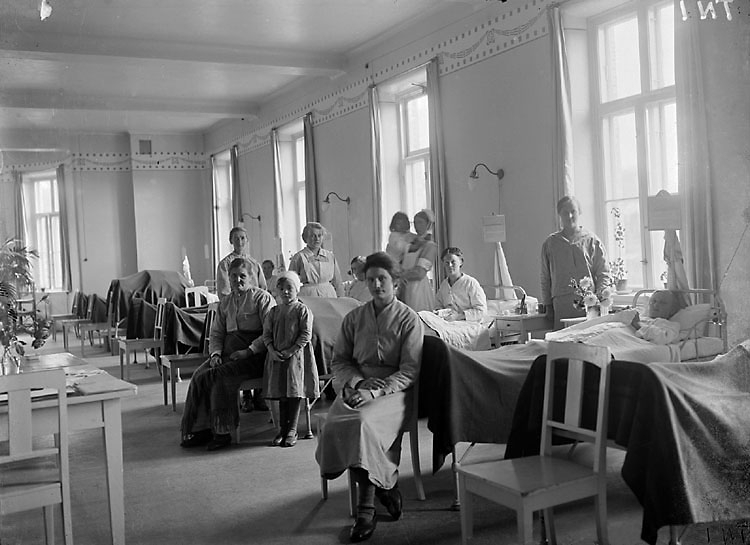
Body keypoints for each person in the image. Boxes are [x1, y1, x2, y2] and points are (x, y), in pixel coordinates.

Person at [316, 252, 423, 543]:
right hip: (357, 385)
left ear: (395, 283)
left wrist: (375, 390)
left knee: (363, 423)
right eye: (371, 279)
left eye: (382, 279)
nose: (376, 285)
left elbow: (410, 370)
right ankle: (386, 486)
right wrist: (359, 383)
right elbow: (340, 361)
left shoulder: (408, 319)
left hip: (394, 391)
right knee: (339, 423)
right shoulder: (353, 318)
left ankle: (366, 508)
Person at [180, 257, 276, 451]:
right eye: (233, 276)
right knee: (200, 375)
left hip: (255, 357)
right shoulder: (225, 302)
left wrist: (248, 351)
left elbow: (269, 332)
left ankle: (222, 432)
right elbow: (216, 333)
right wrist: (215, 354)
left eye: (242, 276)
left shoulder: (262, 298)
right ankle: (201, 429)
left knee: (219, 377)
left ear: (251, 277)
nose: (237, 280)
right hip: (228, 354)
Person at [262, 271, 319, 448]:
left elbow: (306, 334)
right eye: (281, 289)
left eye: (289, 288)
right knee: (282, 393)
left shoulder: (302, 310)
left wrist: (291, 350)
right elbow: (266, 334)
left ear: (296, 290)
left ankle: (292, 430)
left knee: (294, 393)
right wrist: (272, 350)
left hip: (296, 357)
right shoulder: (273, 312)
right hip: (277, 358)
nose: (285, 292)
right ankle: (282, 429)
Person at [540, 196, 610, 330]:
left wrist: (599, 297)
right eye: (565, 212)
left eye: (573, 211)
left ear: (579, 212)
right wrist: (547, 304)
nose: (570, 216)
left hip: (588, 303)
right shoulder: (551, 243)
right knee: (563, 339)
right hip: (561, 304)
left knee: (589, 338)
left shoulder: (591, 240)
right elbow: (545, 277)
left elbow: (603, 272)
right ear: (559, 214)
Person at [289, 222, 343, 298]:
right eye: (312, 236)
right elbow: (291, 281)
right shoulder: (299, 257)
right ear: (305, 238)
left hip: (329, 294)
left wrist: (341, 298)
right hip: (308, 296)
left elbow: (337, 281)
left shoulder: (330, 256)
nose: (317, 239)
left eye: (319, 236)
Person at [399, 209, 438, 312]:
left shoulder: (430, 246)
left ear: (428, 224)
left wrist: (400, 275)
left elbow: (420, 273)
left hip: (418, 288)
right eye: (415, 222)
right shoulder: (410, 242)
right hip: (405, 285)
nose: (417, 226)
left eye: (420, 222)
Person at [435, 247, 487, 321]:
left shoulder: (470, 283)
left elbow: (482, 311)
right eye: (447, 263)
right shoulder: (444, 285)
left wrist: (458, 316)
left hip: (469, 323)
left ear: (461, 262)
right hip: (448, 323)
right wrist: (440, 312)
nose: (450, 265)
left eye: (453, 262)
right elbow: (438, 305)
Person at [216, 227, 266, 300]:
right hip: (235, 304)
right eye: (236, 238)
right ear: (231, 241)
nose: (239, 242)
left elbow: (263, 289)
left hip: (254, 302)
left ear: (247, 240)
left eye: (242, 238)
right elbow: (224, 292)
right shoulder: (225, 264)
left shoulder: (254, 264)